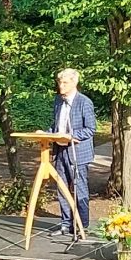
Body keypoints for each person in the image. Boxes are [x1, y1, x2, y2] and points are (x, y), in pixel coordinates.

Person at [45, 66, 96, 238]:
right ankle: (66, 224)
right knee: (61, 188)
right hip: (60, 151)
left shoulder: (84, 102)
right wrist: (46, 133)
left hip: (77, 152)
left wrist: (70, 136)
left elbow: (90, 129)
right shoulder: (58, 101)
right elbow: (56, 125)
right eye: (60, 82)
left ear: (74, 83)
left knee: (79, 189)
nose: (61, 86)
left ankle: (82, 225)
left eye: (65, 83)